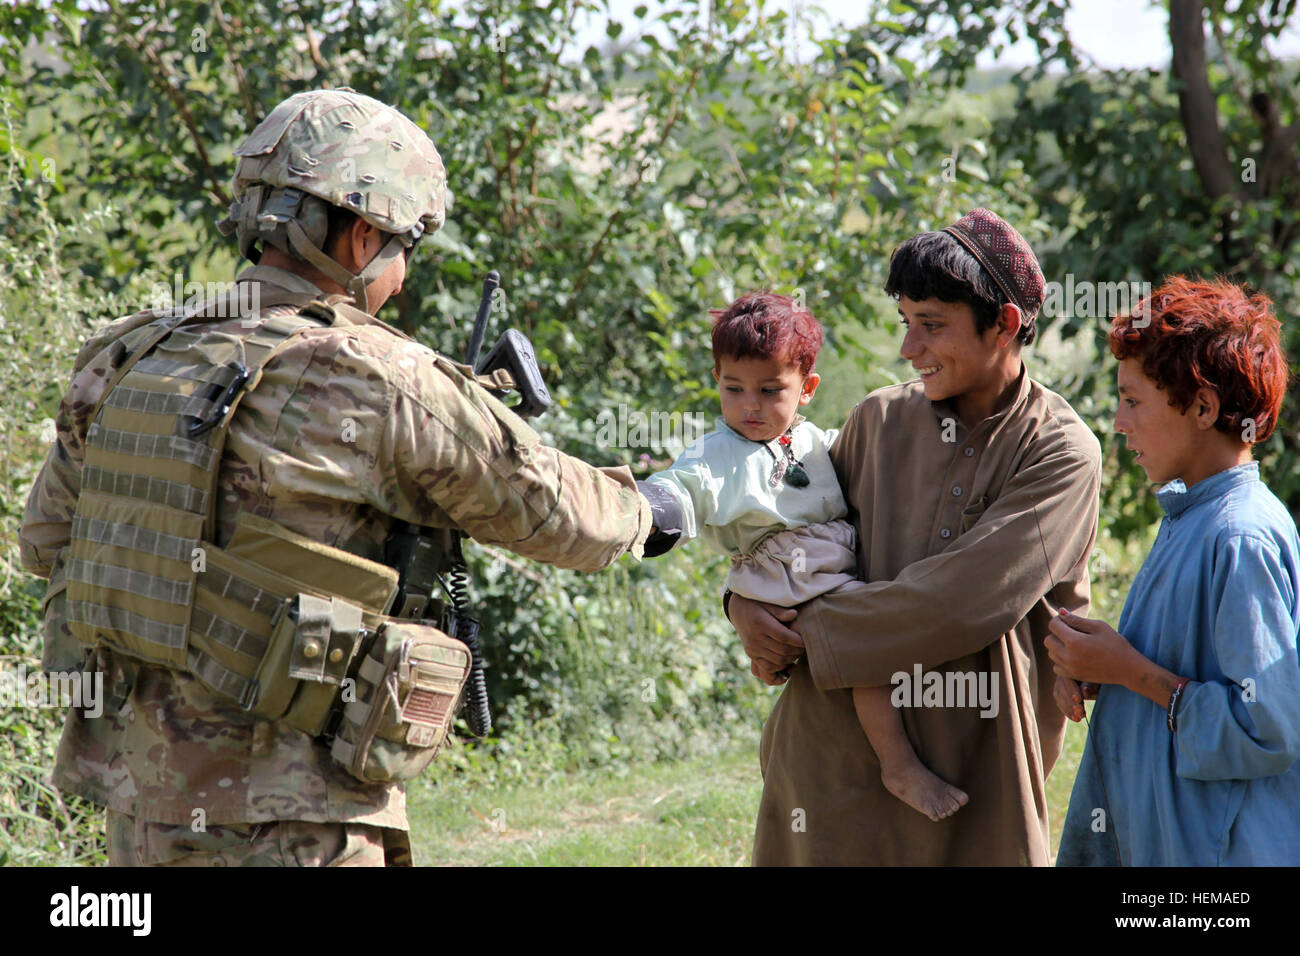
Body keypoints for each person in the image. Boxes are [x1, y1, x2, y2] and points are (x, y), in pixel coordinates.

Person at [18, 89, 652, 867]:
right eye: (404, 245)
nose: (402, 275)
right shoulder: (380, 375)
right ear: (360, 238)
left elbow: (46, 540)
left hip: (141, 811)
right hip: (300, 819)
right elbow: (570, 521)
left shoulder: (132, 352)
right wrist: (650, 507)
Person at [724, 209, 1103, 865]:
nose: (909, 348)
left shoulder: (1061, 452)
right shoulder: (877, 419)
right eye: (906, 323)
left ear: (1006, 325)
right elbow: (786, 531)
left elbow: (958, 603)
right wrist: (743, 604)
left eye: (932, 326)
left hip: (977, 763)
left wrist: (805, 627)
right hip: (831, 755)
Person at [639, 291, 968, 822]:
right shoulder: (721, 452)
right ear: (716, 381)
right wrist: (649, 509)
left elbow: (859, 459)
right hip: (787, 574)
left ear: (806, 389)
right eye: (733, 388)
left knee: (861, 649)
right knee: (871, 647)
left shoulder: (814, 442)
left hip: (815, 569)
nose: (750, 405)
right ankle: (898, 763)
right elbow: (686, 485)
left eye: (771, 390)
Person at [1050, 276, 1300, 866]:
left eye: (1132, 400)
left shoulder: (1239, 536)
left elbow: (1266, 729)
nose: (1117, 421)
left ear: (1203, 407)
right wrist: (1104, 672)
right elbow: (1180, 673)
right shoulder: (1191, 515)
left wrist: (1132, 673)